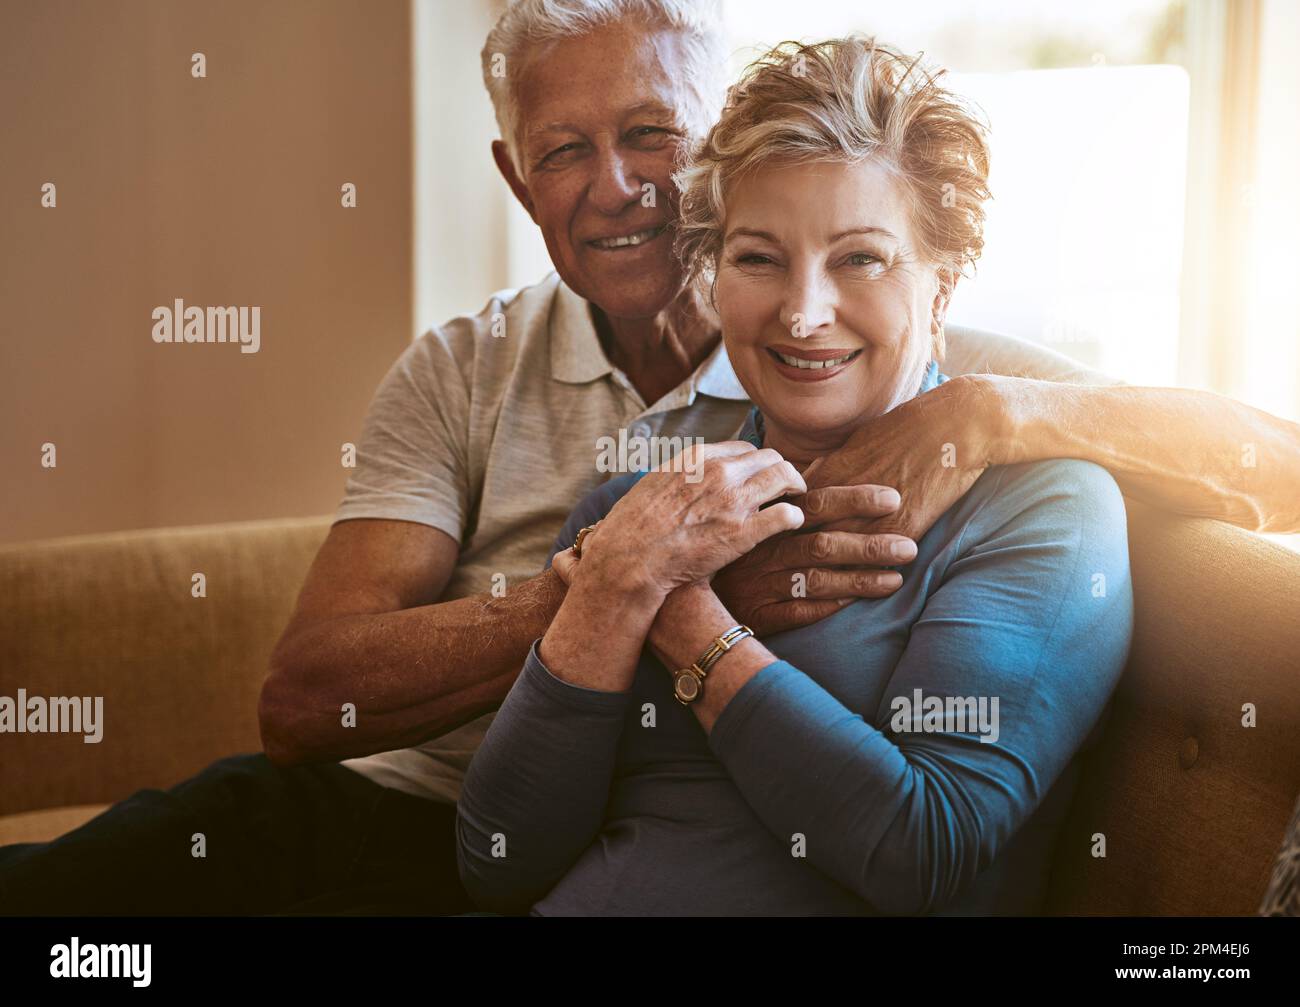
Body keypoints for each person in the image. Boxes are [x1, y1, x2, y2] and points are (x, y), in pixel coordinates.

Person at [1, 0, 1295, 917]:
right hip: (434, 807)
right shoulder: (496, 380)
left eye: (652, 134)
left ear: (712, 140)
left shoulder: (952, 402)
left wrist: (1014, 410)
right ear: (517, 180)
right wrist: (610, 586)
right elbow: (309, 702)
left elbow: (1262, 460)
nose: (618, 184)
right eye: (565, 149)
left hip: (532, 855)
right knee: (108, 899)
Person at [454, 34, 1133, 916]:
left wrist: (685, 618)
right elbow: (496, 861)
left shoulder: (1043, 508)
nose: (804, 312)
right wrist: (614, 591)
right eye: (758, 258)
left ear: (941, 287)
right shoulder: (641, 507)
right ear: (712, 274)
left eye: (860, 258)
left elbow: (918, 848)